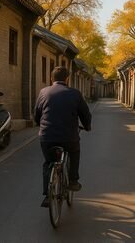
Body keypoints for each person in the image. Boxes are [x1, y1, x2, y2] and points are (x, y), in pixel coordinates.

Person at [34, 66, 92, 208]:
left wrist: (39, 125)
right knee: (74, 152)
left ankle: (48, 195)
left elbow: (37, 113)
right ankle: (72, 181)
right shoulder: (75, 94)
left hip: (46, 136)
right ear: (67, 79)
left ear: (51, 78)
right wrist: (87, 126)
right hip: (69, 136)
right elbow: (85, 114)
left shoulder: (43, 92)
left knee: (49, 162)